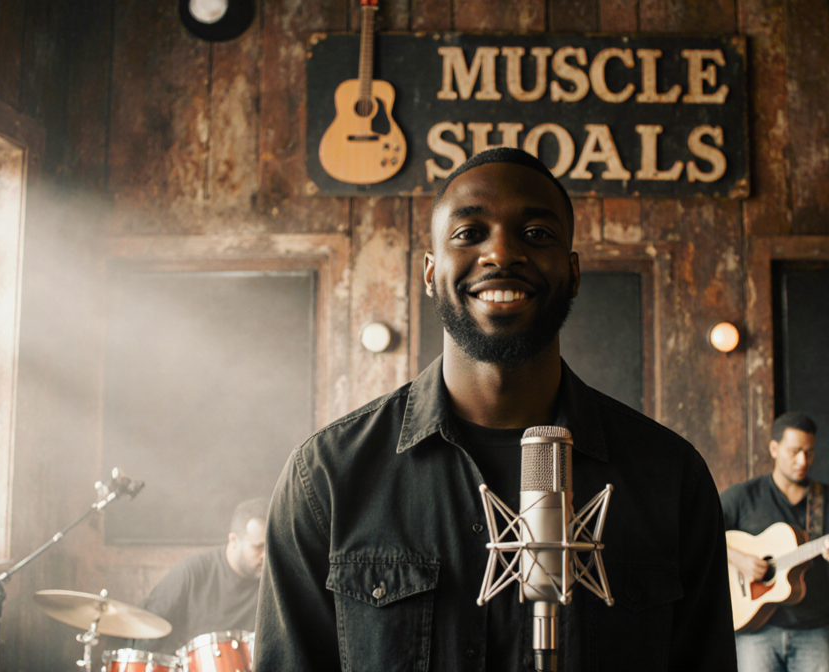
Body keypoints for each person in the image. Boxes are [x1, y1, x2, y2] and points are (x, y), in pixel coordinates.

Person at [255, 147, 738, 671]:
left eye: (537, 234)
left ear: (573, 273)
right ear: (429, 272)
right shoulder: (326, 477)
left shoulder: (671, 477)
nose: (502, 252)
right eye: (469, 233)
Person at [721, 412, 829, 672]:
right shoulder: (743, 497)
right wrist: (738, 559)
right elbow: (700, 535)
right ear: (774, 449)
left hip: (813, 629)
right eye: (794, 451)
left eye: (809, 452)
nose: (802, 461)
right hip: (755, 631)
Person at [132, 497, 267, 654]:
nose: (266, 555)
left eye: (271, 546)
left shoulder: (273, 580)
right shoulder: (191, 573)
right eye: (259, 547)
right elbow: (144, 628)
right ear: (234, 540)